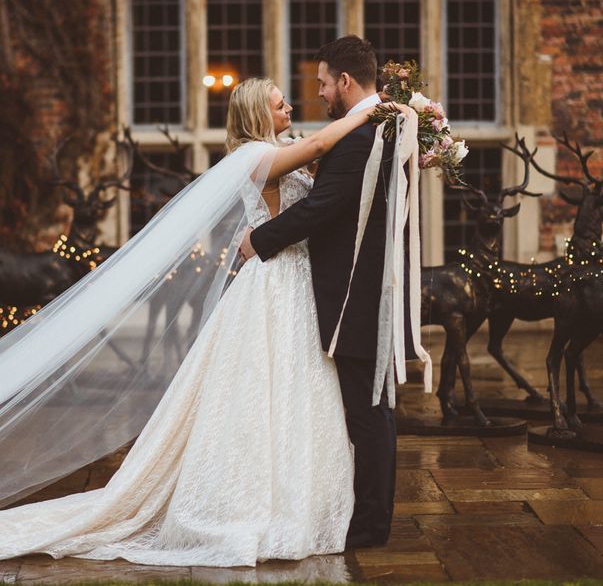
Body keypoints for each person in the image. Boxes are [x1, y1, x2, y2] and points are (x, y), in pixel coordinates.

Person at [0, 76, 412, 567]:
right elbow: (324, 142)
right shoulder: (253, 156)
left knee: (301, 393)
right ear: (259, 115)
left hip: (302, 285)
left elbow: (327, 167)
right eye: (281, 106)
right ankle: (250, 501)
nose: (291, 110)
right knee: (265, 389)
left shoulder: (280, 149)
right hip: (276, 283)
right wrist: (377, 107)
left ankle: (306, 495)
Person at [239, 35, 410, 549]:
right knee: (352, 407)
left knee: (367, 410)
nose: (313, 96)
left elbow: (323, 208)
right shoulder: (382, 126)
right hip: (337, 290)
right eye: (284, 99)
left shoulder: (362, 134)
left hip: (355, 294)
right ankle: (347, 509)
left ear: (345, 81)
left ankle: (370, 523)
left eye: (321, 84)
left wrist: (259, 241)